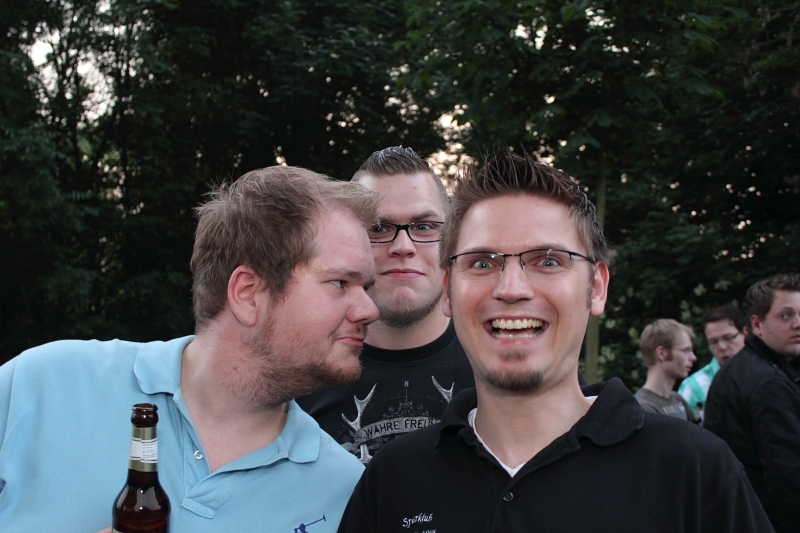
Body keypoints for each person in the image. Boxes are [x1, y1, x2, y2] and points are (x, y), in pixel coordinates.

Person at [337, 149, 772, 533]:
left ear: (596, 287)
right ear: (448, 289)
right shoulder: (394, 478)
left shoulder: (693, 470)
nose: (511, 288)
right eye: (483, 262)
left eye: (547, 261)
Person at [0, 167, 378, 532]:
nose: (370, 310)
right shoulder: (41, 386)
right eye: (340, 283)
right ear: (247, 294)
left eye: (366, 288)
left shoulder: (345, 492)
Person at [297, 147, 475, 463]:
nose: (403, 247)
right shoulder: (300, 377)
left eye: (424, 227)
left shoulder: (498, 368)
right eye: (378, 228)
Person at [705, 273, 800, 533]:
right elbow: (788, 476)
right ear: (757, 324)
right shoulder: (768, 382)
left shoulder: (738, 370)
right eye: (785, 316)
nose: (797, 324)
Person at [678, 304, 747, 421]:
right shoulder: (693, 387)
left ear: (745, 333)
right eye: (713, 342)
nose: (722, 347)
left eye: (728, 337)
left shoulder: (767, 372)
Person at [634, 319, 698, 421]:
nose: (693, 357)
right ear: (662, 353)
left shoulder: (678, 400)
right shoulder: (643, 408)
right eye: (686, 350)